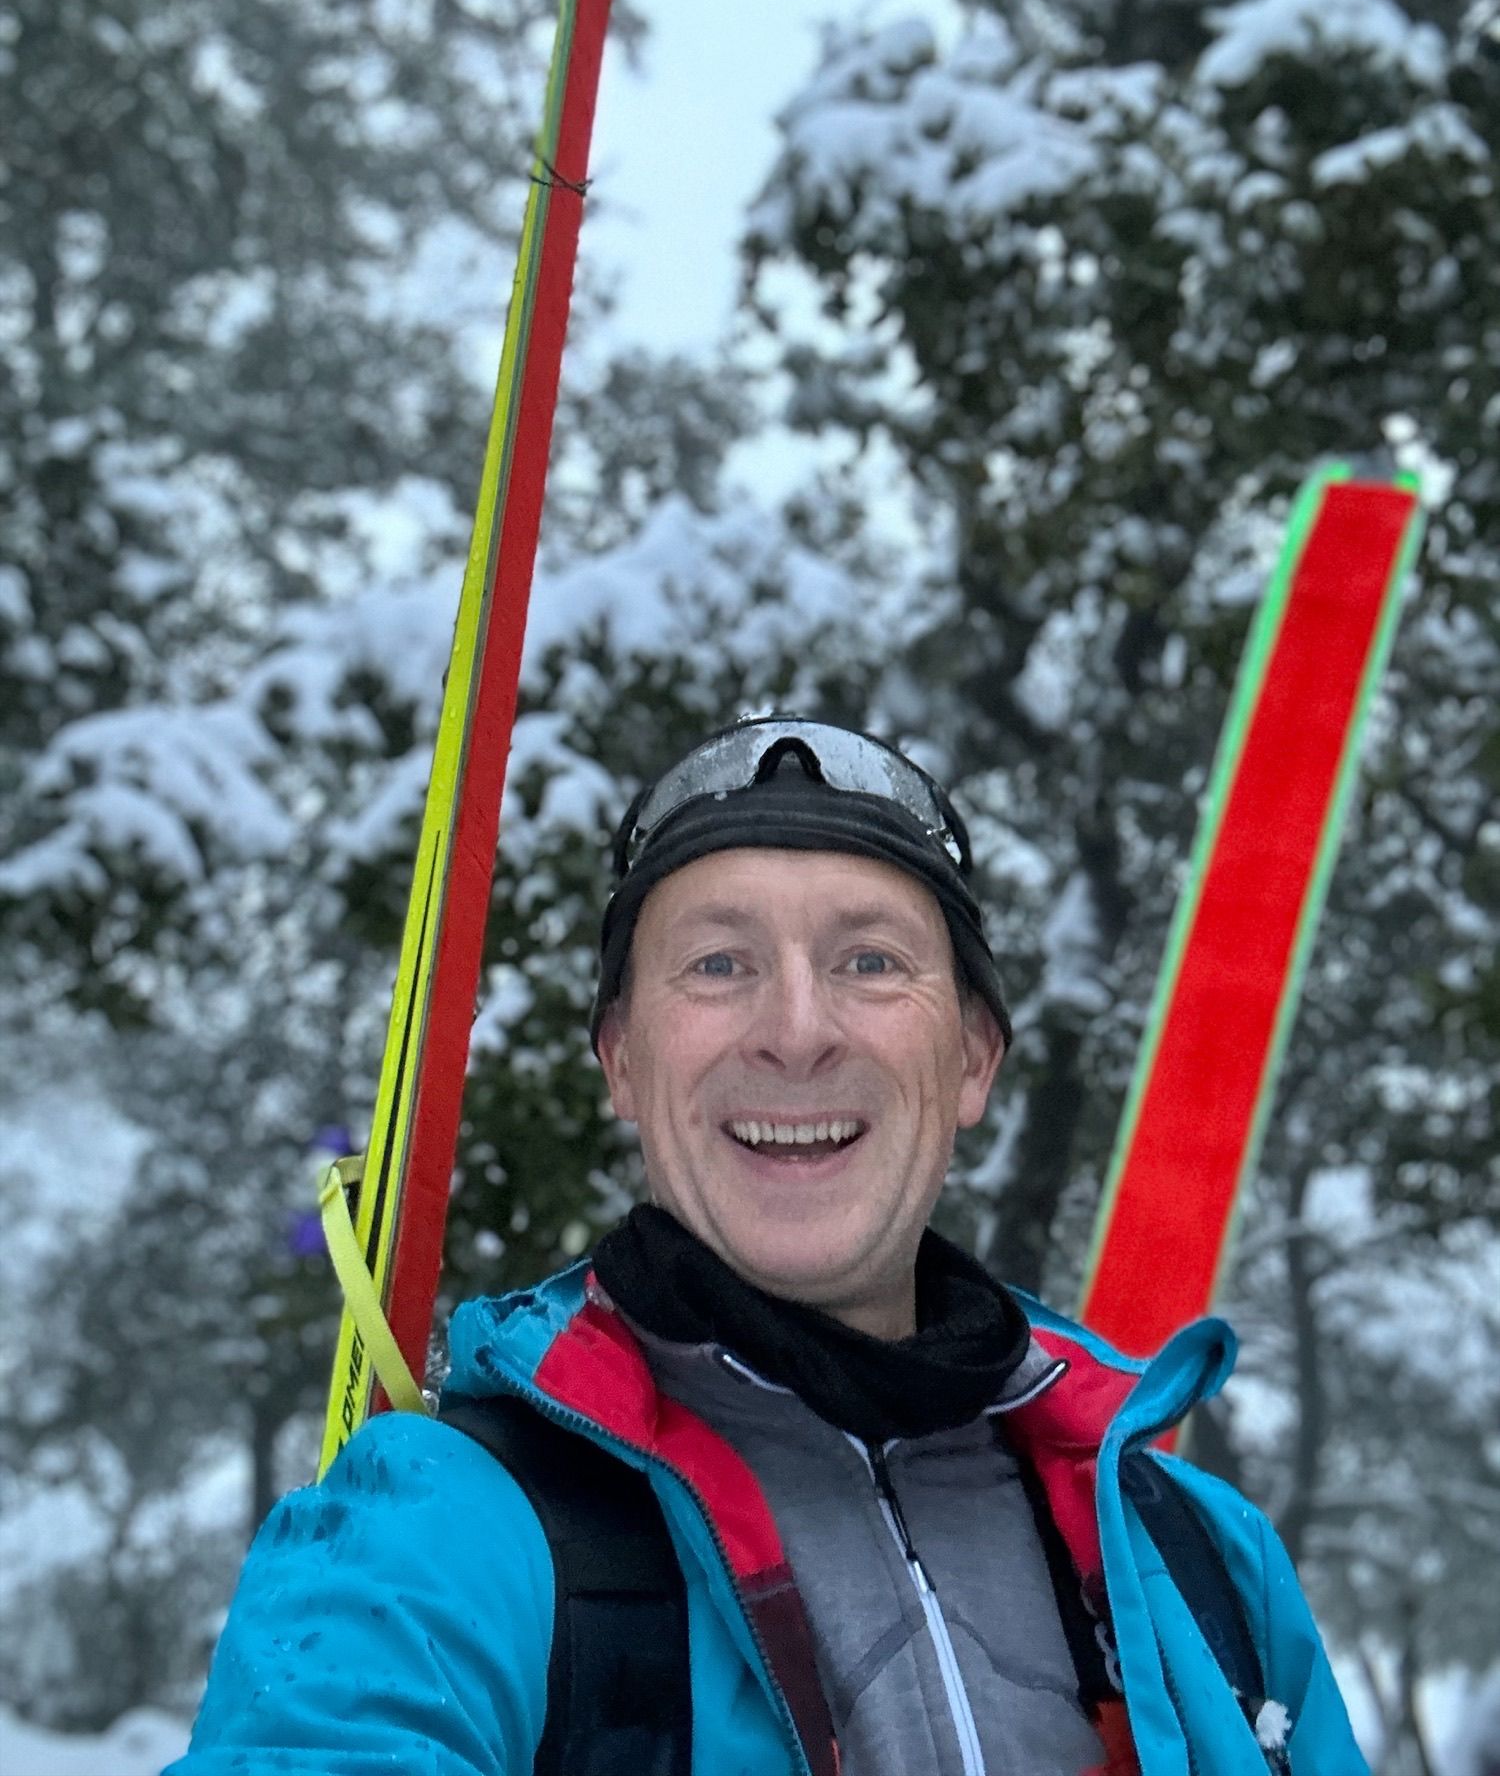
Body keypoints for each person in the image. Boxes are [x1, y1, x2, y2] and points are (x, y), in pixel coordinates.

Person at [169, 716, 1367, 1776]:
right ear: (623, 1062)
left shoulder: (1197, 1555)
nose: (796, 1031)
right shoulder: (446, 1526)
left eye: (870, 961)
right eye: (719, 962)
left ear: (972, 1061)